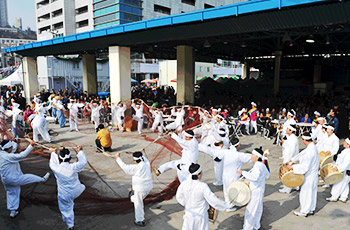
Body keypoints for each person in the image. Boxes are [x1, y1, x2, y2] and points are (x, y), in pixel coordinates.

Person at [0, 139, 50, 218]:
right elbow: (22, 155)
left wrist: (14, 141)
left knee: (12, 192)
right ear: (9, 148)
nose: (13, 148)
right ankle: (43, 179)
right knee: (29, 177)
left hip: (5, 180)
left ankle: (13, 212)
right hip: (15, 179)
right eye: (11, 147)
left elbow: (13, 148)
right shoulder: (9, 156)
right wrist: (31, 146)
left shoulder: (3, 153)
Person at [176, 163, 233, 230]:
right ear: (198, 175)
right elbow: (213, 200)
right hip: (200, 216)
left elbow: (178, 197)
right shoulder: (202, 186)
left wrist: (187, 204)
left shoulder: (184, 184)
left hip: (189, 215)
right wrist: (226, 205)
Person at [49, 146, 87, 230]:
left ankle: (70, 225)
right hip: (77, 190)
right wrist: (80, 151)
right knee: (82, 186)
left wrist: (54, 153)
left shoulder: (56, 168)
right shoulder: (73, 167)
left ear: (59, 158)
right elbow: (83, 162)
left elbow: (52, 163)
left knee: (66, 208)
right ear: (69, 158)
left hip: (65, 194)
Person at [115, 151, 153, 227]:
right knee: (137, 199)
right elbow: (143, 158)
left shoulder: (136, 167)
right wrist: (134, 153)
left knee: (138, 204)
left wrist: (117, 158)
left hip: (140, 189)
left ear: (135, 160)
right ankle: (133, 197)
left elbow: (125, 167)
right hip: (148, 187)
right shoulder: (146, 163)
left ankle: (139, 220)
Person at [236, 147, 270, 230]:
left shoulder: (258, 166)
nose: (251, 156)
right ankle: (256, 225)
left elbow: (254, 178)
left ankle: (247, 228)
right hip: (259, 190)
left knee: (251, 211)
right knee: (257, 210)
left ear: (257, 157)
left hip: (256, 192)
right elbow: (267, 175)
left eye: (253, 155)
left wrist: (243, 172)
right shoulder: (261, 165)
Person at [286, 132, 319, 217]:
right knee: (312, 192)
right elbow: (302, 153)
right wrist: (293, 160)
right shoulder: (312, 147)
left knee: (306, 193)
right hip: (313, 174)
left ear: (304, 140)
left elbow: (304, 167)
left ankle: (304, 211)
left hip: (309, 175)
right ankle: (311, 209)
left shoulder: (310, 151)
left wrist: (293, 167)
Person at [221, 138, 252, 211]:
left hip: (225, 175)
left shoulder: (225, 152)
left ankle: (227, 204)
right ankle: (230, 205)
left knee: (226, 190)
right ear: (238, 145)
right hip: (233, 176)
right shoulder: (238, 155)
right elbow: (249, 159)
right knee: (233, 190)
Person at [326, 137, 350, 202]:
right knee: (344, 184)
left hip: (344, 170)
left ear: (348, 144)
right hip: (343, 170)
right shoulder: (346, 151)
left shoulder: (348, 152)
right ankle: (344, 197)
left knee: (338, 184)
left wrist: (338, 168)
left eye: (345, 142)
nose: (344, 143)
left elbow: (346, 163)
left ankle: (334, 197)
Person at [279, 124, 299, 193]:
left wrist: (289, 161)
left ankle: (288, 188)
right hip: (287, 157)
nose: (286, 130)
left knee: (288, 174)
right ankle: (292, 186)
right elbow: (287, 145)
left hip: (290, 158)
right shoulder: (289, 137)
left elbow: (292, 150)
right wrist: (283, 142)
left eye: (288, 129)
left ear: (291, 130)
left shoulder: (293, 138)